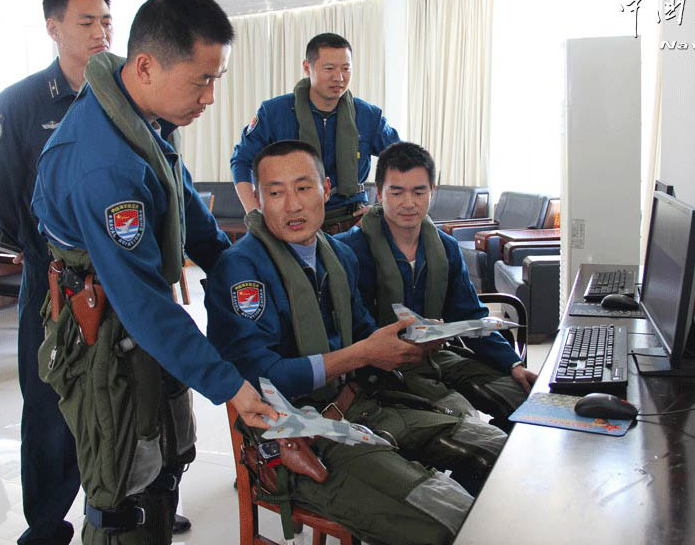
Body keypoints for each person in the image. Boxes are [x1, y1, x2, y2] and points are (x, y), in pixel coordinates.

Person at [30, 0, 277, 545]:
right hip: (105, 335)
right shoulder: (103, 165)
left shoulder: (141, 114)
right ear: (146, 66)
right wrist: (231, 387)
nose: (210, 97)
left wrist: (244, 269)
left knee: (167, 453)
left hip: (142, 326)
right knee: (125, 488)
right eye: (202, 81)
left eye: (216, 79)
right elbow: (140, 303)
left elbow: (184, 201)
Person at [205, 140, 508, 545]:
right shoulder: (242, 270)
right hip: (297, 433)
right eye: (275, 192)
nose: (292, 205)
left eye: (303, 188)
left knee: (497, 450)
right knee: (446, 517)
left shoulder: (337, 256)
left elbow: (366, 331)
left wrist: (411, 338)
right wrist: (363, 352)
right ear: (257, 199)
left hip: (362, 403)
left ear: (326, 189)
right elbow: (261, 379)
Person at [0, 0, 114, 545]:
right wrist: (49, 255)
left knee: (124, 392)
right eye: (87, 22)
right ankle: (46, 524)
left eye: (107, 21)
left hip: (120, 275)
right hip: (53, 279)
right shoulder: (19, 104)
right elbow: (2, 195)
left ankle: (119, 504)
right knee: (50, 401)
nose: (101, 32)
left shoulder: (128, 94)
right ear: (54, 28)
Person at [336, 142, 537, 430]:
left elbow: (470, 317)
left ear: (433, 192)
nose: (409, 203)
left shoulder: (446, 249)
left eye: (419, 192)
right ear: (379, 193)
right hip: (381, 369)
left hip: (438, 355)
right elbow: (354, 329)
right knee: (471, 427)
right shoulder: (348, 252)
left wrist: (512, 363)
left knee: (527, 404)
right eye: (397, 192)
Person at [230, 32, 400, 233]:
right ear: (306, 67)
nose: (339, 77)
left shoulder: (367, 115)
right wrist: (255, 214)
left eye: (346, 69)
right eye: (329, 68)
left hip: (352, 221)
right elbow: (242, 161)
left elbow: (403, 162)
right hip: (293, 221)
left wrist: (383, 209)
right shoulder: (274, 112)